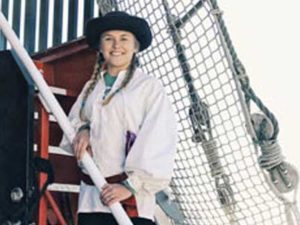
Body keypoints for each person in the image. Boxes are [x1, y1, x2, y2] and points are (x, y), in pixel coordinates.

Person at [59, 11, 177, 225]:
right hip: (92, 201)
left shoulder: (148, 88)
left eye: (124, 39)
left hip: (130, 204)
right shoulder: (92, 87)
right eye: (108, 39)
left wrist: (129, 186)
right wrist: (84, 129)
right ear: (101, 47)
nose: (116, 45)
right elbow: (76, 122)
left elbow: (158, 140)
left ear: (135, 47)